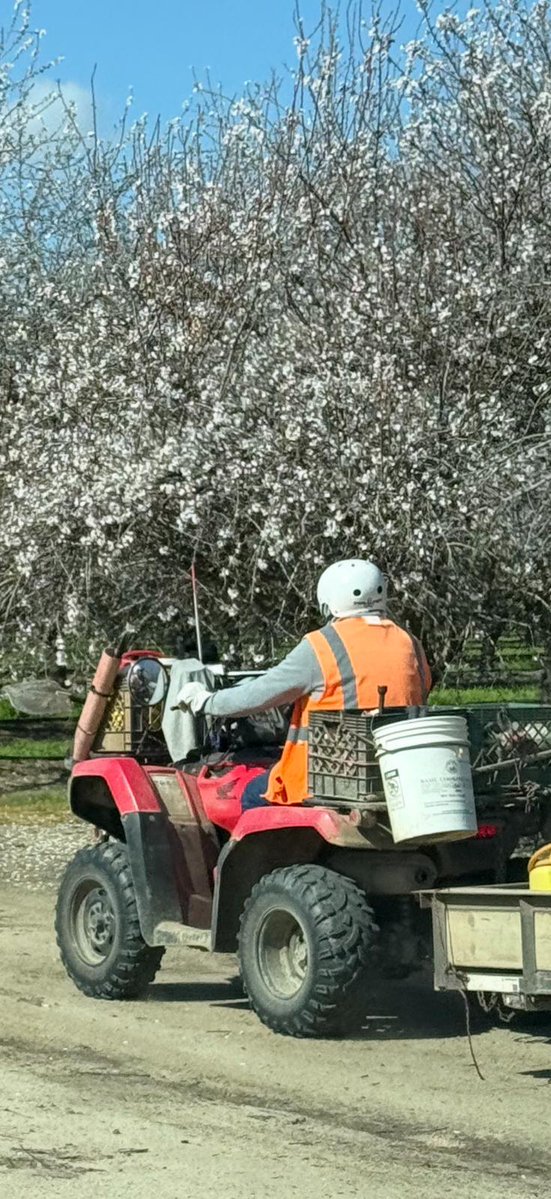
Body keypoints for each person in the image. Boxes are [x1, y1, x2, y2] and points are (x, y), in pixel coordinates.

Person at [176, 559, 431, 809]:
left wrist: (205, 700)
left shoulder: (323, 645)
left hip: (325, 779)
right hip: (397, 773)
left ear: (328, 601)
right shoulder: (411, 643)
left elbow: (258, 695)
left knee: (249, 796)